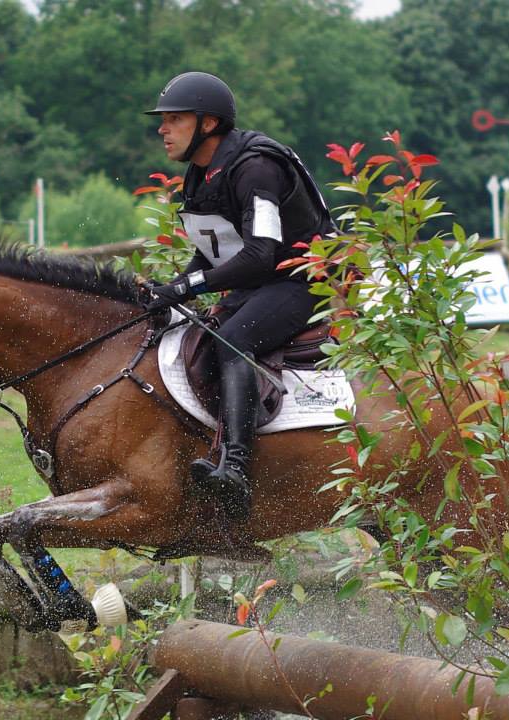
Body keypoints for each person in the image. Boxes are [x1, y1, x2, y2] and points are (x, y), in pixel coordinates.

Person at [143, 71, 337, 522]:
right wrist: (173, 286)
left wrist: (188, 287)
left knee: (233, 340)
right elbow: (214, 250)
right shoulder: (201, 173)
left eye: (174, 119)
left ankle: (236, 469)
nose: (162, 129)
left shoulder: (255, 168)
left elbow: (259, 253)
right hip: (262, 279)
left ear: (208, 124)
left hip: (303, 279)